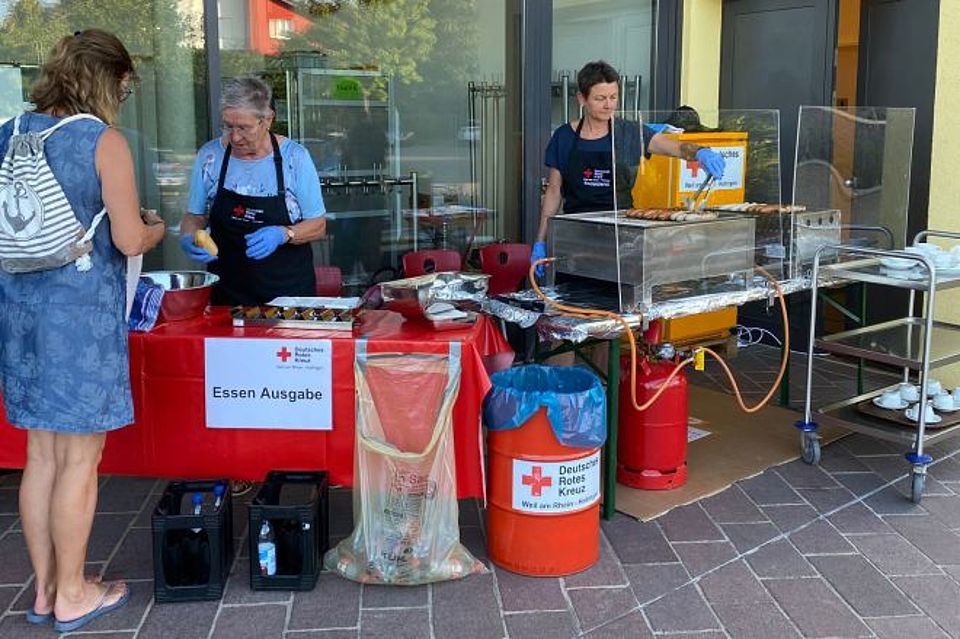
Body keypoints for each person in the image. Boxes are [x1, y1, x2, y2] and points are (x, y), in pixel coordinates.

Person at [0, 29, 164, 632]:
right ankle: (73, 592)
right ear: (109, 80)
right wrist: (152, 230)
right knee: (79, 461)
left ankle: (44, 591)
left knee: (39, 455)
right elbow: (124, 239)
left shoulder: (10, 133)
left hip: (20, 313)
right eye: (124, 84)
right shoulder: (102, 141)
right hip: (78, 319)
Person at [531, 60, 726, 273]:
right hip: (577, 236)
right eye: (600, 98)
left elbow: (673, 147)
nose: (609, 105)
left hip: (621, 237)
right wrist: (541, 241)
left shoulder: (629, 133)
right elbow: (553, 192)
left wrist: (699, 152)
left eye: (613, 97)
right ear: (581, 99)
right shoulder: (564, 137)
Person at [180, 75, 326, 305]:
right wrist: (189, 235)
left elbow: (318, 226)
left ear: (267, 120)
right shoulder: (209, 157)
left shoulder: (295, 158)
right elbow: (195, 215)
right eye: (228, 126)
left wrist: (284, 234)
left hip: (288, 295)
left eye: (244, 128)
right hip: (226, 294)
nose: (235, 137)